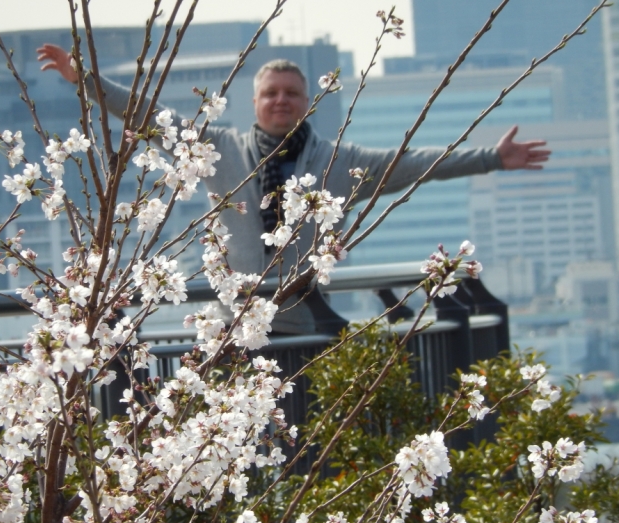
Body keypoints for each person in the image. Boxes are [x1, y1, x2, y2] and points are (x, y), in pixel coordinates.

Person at [37, 45, 550, 333]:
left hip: (307, 320)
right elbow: (149, 115)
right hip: (231, 323)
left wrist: (492, 159)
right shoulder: (215, 147)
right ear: (255, 101)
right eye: (271, 94)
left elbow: (410, 165)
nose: (281, 101)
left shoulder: (337, 160)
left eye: (292, 94)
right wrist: (85, 78)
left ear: (306, 101)